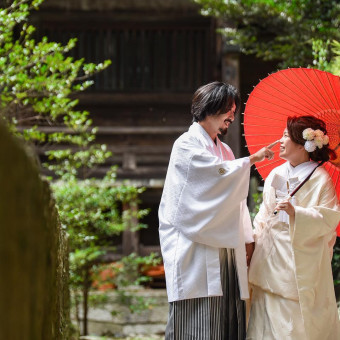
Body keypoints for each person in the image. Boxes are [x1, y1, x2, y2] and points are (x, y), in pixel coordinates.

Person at [159, 81, 276, 340]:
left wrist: (247, 239)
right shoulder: (186, 145)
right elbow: (211, 177)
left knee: (226, 316)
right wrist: (251, 160)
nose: (232, 116)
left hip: (225, 245)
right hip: (194, 244)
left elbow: (236, 199)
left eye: (234, 110)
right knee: (196, 320)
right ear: (211, 108)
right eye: (229, 110)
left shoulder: (224, 150)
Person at [247, 115, 340, 340]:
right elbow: (264, 214)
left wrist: (295, 213)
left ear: (303, 144)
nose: (280, 141)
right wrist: (252, 240)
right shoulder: (276, 173)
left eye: (286, 136)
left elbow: (329, 220)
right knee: (262, 317)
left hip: (297, 258)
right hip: (268, 254)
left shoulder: (320, 178)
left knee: (292, 323)